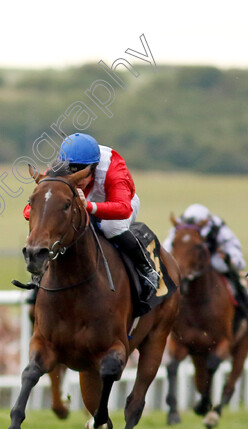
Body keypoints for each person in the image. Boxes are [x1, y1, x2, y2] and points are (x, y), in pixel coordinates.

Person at [24, 133, 160, 299]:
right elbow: (32, 208)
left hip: (119, 201)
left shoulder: (114, 167)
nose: (76, 180)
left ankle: (147, 270)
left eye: (82, 175)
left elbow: (123, 209)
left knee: (111, 227)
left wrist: (88, 206)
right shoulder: (57, 169)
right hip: (79, 200)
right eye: (71, 174)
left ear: (94, 168)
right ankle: (40, 277)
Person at [163, 203, 248, 321]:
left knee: (224, 270)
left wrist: (230, 259)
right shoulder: (180, 228)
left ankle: (243, 308)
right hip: (188, 267)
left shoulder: (218, 227)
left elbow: (237, 257)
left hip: (213, 262)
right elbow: (166, 251)